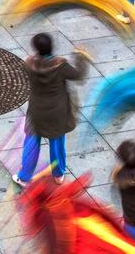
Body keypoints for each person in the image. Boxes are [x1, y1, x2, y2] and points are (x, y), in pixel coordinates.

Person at [12, 33, 89, 188]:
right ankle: (58, 174)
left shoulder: (28, 64)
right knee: (57, 143)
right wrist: (81, 57)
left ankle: (25, 176)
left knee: (31, 143)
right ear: (51, 47)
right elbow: (79, 76)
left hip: (36, 110)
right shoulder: (60, 66)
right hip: (57, 111)